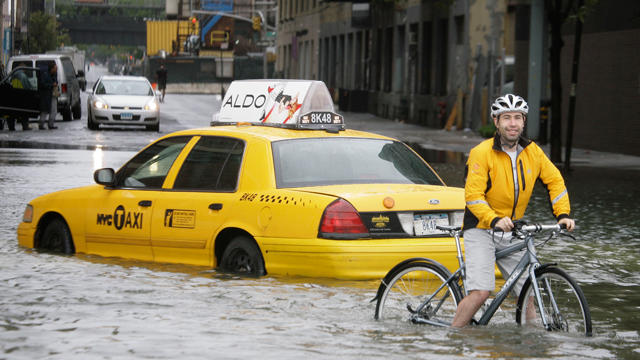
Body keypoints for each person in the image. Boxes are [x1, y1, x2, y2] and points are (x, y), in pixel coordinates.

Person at [451, 94, 575, 328]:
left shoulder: (533, 152)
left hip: (512, 227)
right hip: (481, 227)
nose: (513, 123)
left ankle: (532, 342)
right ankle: (453, 338)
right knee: (481, 291)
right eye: (506, 118)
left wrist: (563, 214)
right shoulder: (481, 152)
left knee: (528, 291)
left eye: (517, 117)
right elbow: (473, 196)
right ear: (496, 122)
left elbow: (555, 182)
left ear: (524, 122)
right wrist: (494, 218)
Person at [38, 63, 58, 130]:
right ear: (52, 68)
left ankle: (51, 124)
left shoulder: (54, 74)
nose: (56, 69)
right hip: (46, 95)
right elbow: (43, 84)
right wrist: (52, 85)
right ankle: (41, 124)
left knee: (54, 110)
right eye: (55, 68)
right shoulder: (45, 75)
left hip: (53, 94)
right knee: (45, 110)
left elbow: (55, 81)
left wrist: (55, 84)